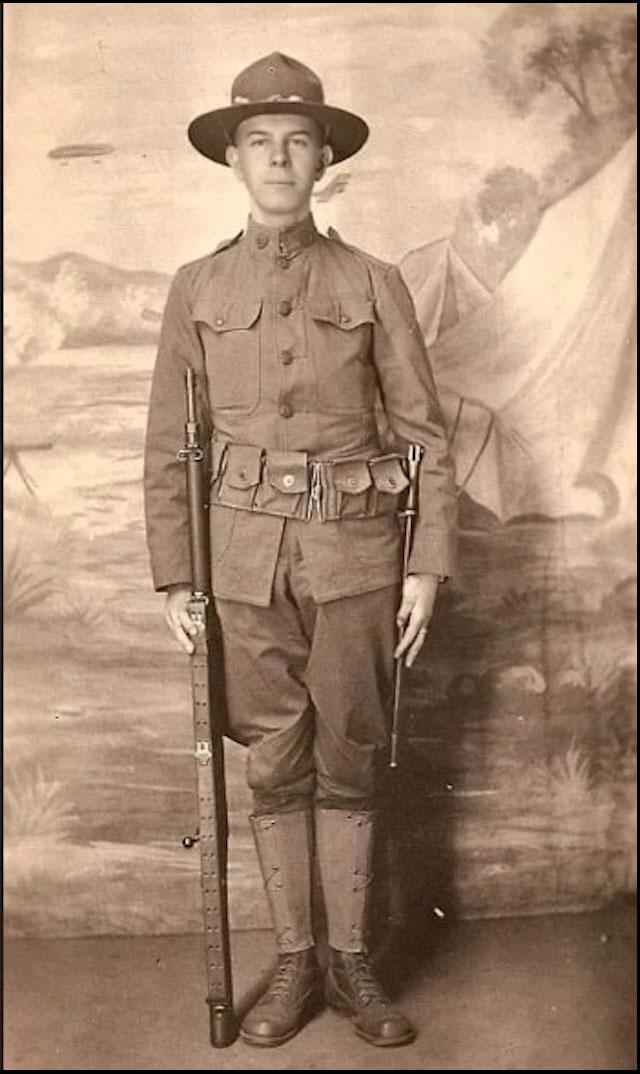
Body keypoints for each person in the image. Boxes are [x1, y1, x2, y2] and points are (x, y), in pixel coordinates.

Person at [144, 51, 457, 1049]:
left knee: (353, 757)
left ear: (323, 158)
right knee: (272, 766)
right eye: (259, 143)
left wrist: (427, 565)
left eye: (298, 142)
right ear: (233, 160)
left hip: (358, 558)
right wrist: (175, 577)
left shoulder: (372, 280)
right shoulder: (195, 286)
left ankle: (353, 960)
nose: (280, 160)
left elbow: (422, 432)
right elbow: (164, 444)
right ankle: (291, 962)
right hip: (238, 566)